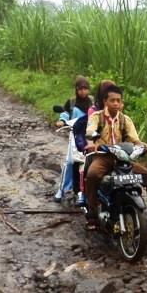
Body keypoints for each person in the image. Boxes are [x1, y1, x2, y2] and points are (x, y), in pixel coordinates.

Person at [83, 84, 147, 230]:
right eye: (112, 100)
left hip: (122, 158)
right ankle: (92, 216)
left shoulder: (125, 120)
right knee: (92, 175)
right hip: (103, 157)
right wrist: (91, 141)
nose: (116, 103)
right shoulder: (96, 117)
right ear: (105, 101)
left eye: (118, 100)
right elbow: (90, 131)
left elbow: (135, 140)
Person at [54, 76, 93, 204]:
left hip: (90, 135)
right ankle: (62, 190)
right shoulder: (71, 102)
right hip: (75, 135)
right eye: (80, 89)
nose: (83, 91)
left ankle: (87, 191)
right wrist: (62, 121)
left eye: (85, 88)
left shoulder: (92, 102)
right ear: (76, 89)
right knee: (70, 162)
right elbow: (65, 114)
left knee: (90, 161)